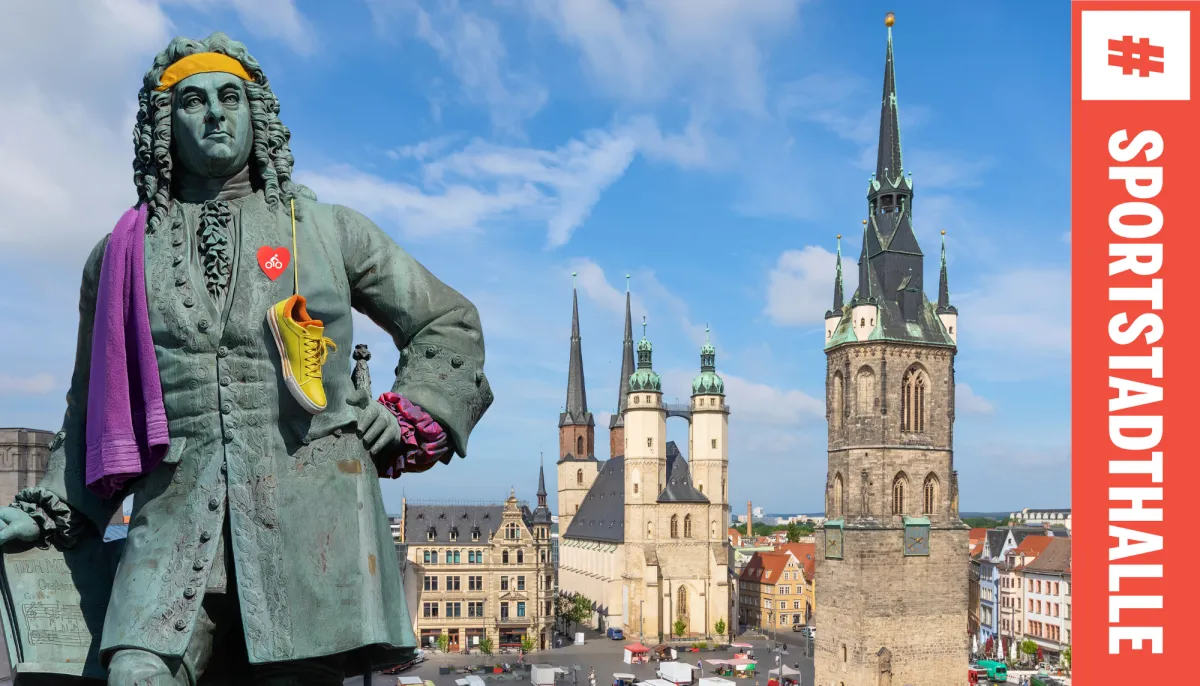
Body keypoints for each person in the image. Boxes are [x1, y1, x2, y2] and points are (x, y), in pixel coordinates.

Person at [0, 32, 492, 686]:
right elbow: (91, 404)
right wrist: (45, 511)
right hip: (174, 524)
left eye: (230, 97)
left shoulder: (329, 230)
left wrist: (408, 412)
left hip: (313, 524)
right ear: (163, 125)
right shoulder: (118, 255)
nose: (214, 114)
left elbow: (447, 322)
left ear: (256, 115)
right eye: (193, 101)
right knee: (135, 673)